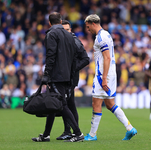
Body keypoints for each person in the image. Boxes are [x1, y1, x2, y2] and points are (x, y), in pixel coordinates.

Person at [31, 12, 84, 142]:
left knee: (61, 105)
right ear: (61, 22)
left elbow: (51, 55)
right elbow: (72, 57)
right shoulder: (69, 35)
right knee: (54, 104)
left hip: (57, 75)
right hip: (67, 75)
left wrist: (46, 74)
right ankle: (46, 135)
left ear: (49, 23)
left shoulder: (51, 34)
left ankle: (78, 133)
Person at [84, 14, 137, 141]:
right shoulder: (106, 34)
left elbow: (107, 57)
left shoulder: (100, 38)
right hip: (111, 74)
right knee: (110, 104)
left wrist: (103, 78)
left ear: (93, 24)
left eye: (88, 26)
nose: (87, 29)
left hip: (103, 74)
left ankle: (92, 135)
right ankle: (130, 128)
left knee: (96, 103)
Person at [56, 20, 90, 140]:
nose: (66, 32)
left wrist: (72, 68)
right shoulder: (63, 41)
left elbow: (86, 59)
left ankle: (72, 132)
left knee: (68, 104)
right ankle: (68, 131)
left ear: (71, 30)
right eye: (63, 30)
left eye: (67, 29)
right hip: (65, 77)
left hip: (71, 78)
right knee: (68, 104)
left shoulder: (75, 41)